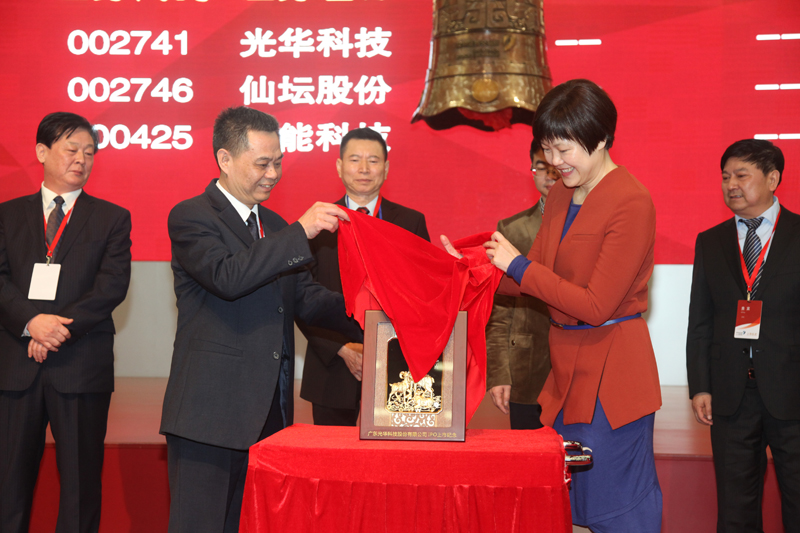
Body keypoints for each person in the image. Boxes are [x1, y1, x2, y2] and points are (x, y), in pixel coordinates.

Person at [445, 79, 662, 530]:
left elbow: (595, 305)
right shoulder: (562, 193)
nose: (554, 162)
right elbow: (535, 280)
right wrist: (466, 269)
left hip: (611, 378)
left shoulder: (632, 201)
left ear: (600, 139)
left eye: (563, 149)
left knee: (616, 507)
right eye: (547, 150)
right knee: (567, 506)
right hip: (565, 372)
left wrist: (518, 265)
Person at [160, 106, 363, 533]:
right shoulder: (192, 215)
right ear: (225, 159)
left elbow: (308, 299)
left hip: (269, 414)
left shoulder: (273, 224)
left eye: (279, 162)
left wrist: (374, 309)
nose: (273, 174)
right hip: (209, 416)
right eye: (262, 164)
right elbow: (227, 277)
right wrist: (299, 232)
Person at [0, 112, 132, 533]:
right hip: (15, 366)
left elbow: (111, 287)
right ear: (42, 152)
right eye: (72, 149)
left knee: (80, 486)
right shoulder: (7, 215)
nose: (81, 159)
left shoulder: (112, 218)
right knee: (8, 485)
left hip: (81, 364)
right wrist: (31, 322)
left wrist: (57, 330)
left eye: (89, 153)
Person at [687, 139, 800, 531]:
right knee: (735, 509)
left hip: (793, 391)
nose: (731, 184)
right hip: (731, 394)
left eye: (741, 175)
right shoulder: (711, 240)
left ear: (772, 179)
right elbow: (700, 320)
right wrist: (700, 386)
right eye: (725, 177)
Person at [299, 127, 430, 426]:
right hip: (332, 366)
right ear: (339, 166)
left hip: (396, 365)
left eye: (373, 160)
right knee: (332, 454)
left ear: (386, 168)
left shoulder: (411, 223)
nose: (364, 169)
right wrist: (341, 349)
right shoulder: (317, 223)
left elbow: (421, 295)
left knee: (392, 453)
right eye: (355, 159)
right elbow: (300, 296)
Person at [485, 141, 557, 430]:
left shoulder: (592, 222)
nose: (550, 174)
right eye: (541, 167)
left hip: (581, 369)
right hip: (527, 368)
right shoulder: (511, 229)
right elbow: (500, 310)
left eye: (556, 167)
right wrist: (499, 371)